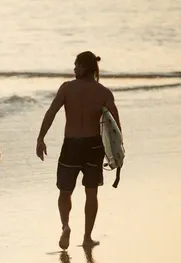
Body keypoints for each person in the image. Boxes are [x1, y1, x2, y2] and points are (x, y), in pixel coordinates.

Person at [36, 51, 121, 250]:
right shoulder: (103, 93)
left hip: (71, 144)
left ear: (84, 67)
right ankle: (87, 237)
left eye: (76, 65)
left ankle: (65, 226)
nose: (74, 69)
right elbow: (115, 126)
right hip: (94, 146)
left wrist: (41, 138)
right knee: (91, 193)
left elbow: (51, 112)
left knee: (65, 191)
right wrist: (118, 153)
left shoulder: (67, 88)